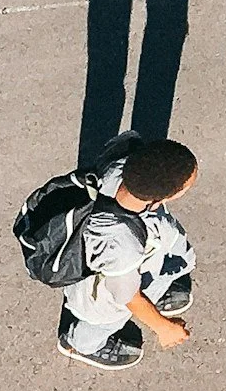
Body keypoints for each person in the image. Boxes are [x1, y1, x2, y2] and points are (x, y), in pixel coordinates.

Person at [58, 134, 199, 369]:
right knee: (106, 321)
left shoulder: (121, 166)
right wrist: (164, 328)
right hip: (107, 297)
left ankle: (159, 288)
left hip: (146, 257)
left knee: (165, 267)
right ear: (162, 198)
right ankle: (79, 343)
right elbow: (127, 297)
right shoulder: (120, 245)